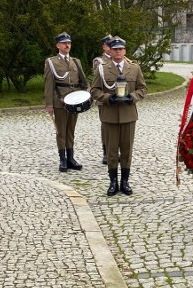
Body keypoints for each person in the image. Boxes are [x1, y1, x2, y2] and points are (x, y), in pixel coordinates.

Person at [90, 37, 147, 196]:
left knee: (127, 150)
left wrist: (132, 97)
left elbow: (142, 89)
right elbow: (94, 91)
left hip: (129, 115)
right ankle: (113, 182)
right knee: (112, 151)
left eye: (121, 49)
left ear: (125, 51)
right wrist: (108, 98)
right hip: (110, 115)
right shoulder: (102, 68)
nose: (118, 51)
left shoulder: (134, 68)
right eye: (115, 49)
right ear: (110, 50)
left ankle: (125, 182)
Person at [44, 32, 89, 172]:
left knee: (71, 130)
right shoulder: (51, 62)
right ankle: (62, 159)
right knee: (61, 131)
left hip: (75, 100)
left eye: (69, 43)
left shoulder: (76, 61)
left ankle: (71, 158)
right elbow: (49, 84)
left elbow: (83, 81)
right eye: (64, 43)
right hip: (60, 101)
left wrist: (87, 93)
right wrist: (50, 104)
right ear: (58, 45)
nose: (67, 45)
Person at [93, 35, 112, 165]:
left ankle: (116, 151)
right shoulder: (99, 61)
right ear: (104, 47)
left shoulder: (123, 60)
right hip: (104, 99)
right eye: (108, 45)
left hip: (120, 98)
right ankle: (106, 152)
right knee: (106, 126)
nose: (111, 48)